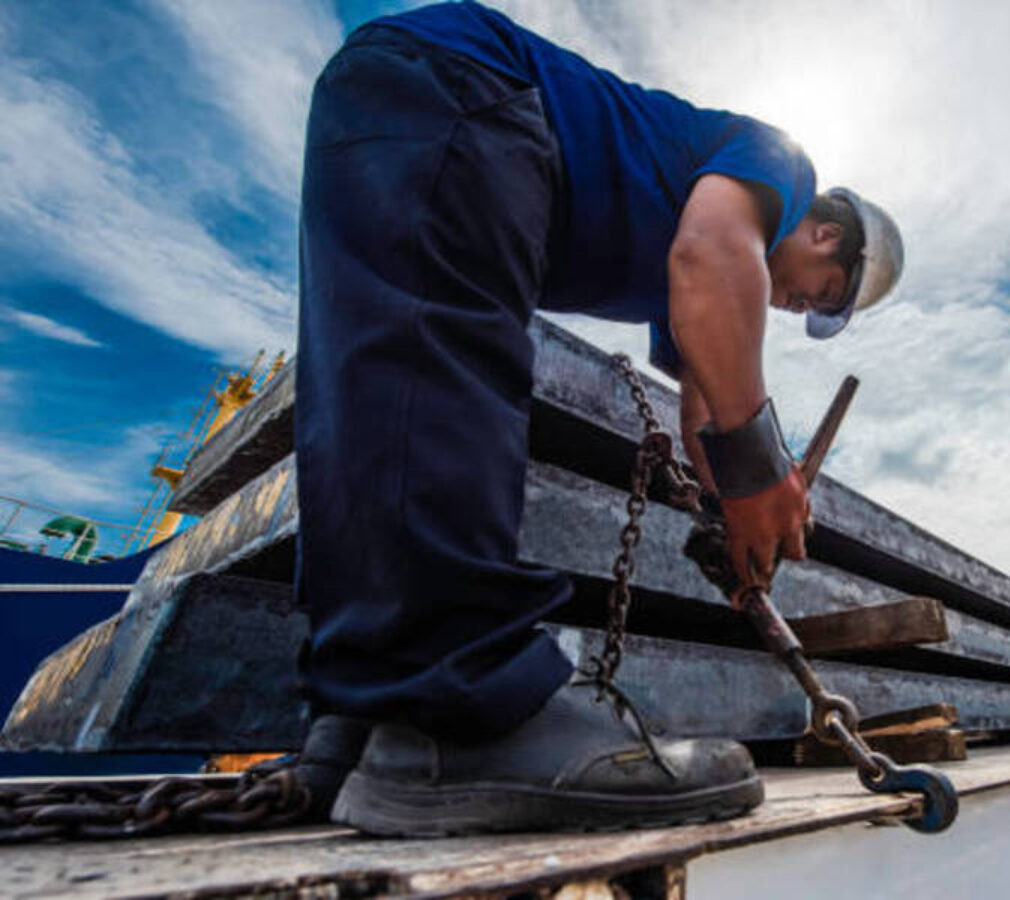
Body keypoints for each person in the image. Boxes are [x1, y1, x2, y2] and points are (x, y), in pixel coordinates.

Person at [295, 0, 903, 836]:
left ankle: (366, 716)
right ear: (827, 233)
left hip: (400, 86)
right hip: (471, 87)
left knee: (390, 371)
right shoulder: (779, 164)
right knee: (446, 380)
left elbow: (701, 395)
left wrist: (731, 514)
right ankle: (460, 715)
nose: (802, 306)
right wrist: (766, 475)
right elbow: (714, 258)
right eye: (822, 292)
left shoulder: (684, 258)